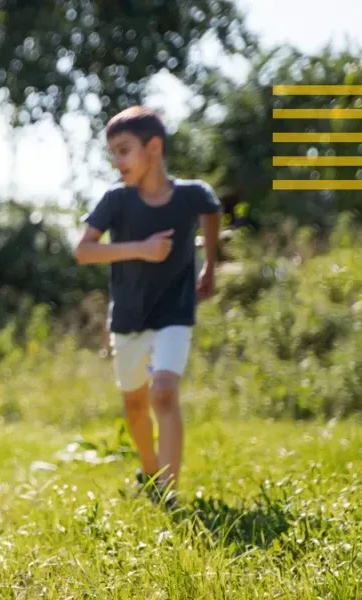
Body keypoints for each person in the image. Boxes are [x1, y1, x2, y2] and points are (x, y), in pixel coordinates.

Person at [74, 106, 221, 508]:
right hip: (128, 318)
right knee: (135, 403)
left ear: (153, 147)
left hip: (174, 311)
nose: (117, 161)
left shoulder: (192, 194)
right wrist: (142, 250)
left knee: (164, 393)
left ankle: (168, 493)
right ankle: (152, 470)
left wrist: (210, 262)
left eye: (124, 150)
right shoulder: (116, 201)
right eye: (113, 153)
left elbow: (212, 211)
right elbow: (84, 251)